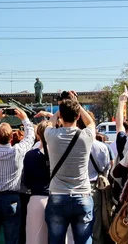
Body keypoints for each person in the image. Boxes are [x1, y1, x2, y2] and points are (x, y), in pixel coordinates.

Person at [44, 97, 96, 244]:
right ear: (78, 116)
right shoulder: (86, 136)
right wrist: (78, 105)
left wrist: (57, 113)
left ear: (60, 115)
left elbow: (49, 124)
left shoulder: (52, 136)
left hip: (58, 195)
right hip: (82, 195)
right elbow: (91, 123)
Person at [0, 107, 35, 244]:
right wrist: (25, 119)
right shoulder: (18, 151)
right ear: (12, 137)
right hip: (12, 199)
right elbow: (30, 137)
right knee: (12, 238)